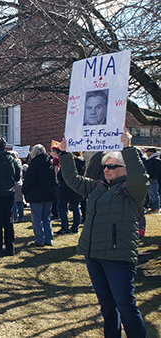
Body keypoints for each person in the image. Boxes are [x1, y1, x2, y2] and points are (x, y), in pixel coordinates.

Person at [57, 131, 147, 338]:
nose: (107, 170)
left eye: (113, 166)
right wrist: (65, 154)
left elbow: (140, 177)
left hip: (118, 256)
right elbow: (73, 180)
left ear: (126, 169)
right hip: (94, 254)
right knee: (107, 306)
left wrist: (128, 149)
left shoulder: (133, 190)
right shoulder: (98, 186)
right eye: (106, 166)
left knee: (126, 306)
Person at [22, 144, 56, 247]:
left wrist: (25, 191)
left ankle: (39, 239)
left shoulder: (34, 165)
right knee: (46, 217)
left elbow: (29, 181)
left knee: (37, 218)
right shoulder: (50, 163)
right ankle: (49, 239)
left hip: (36, 195)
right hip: (49, 194)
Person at [56, 151, 85, 234]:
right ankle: (75, 227)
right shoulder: (82, 162)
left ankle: (65, 227)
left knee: (61, 207)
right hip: (77, 186)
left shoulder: (69, 161)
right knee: (76, 207)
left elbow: (61, 175)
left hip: (66, 187)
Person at [144, 147, 160, 214]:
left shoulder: (156, 160)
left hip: (152, 179)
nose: (146, 154)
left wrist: (152, 177)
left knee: (154, 193)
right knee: (150, 193)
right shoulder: (150, 160)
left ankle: (156, 207)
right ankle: (152, 206)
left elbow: (158, 170)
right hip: (149, 179)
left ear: (151, 152)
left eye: (147, 152)